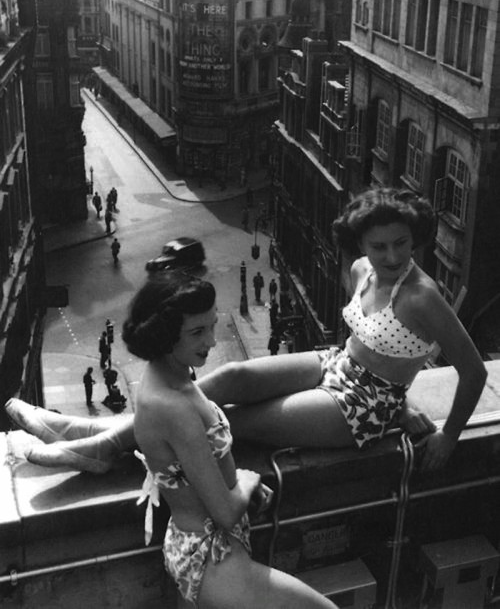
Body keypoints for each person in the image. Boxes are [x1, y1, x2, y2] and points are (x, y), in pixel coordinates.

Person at [5, 187, 486, 475]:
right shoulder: (360, 269)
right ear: (360, 243)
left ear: (415, 237)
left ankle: (97, 442)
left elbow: (472, 372)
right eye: (378, 245)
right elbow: (363, 341)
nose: (392, 256)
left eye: (401, 243)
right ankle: (92, 432)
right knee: (232, 376)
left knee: (229, 420)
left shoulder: (422, 296)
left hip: (363, 408)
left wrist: (447, 434)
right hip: (336, 365)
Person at [126, 271, 339, 607]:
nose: (211, 341)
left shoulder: (172, 375)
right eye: (197, 332)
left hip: (209, 550)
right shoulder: (171, 406)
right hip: (213, 561)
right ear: (164, 336)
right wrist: (246, 479)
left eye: (212, 325)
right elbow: (225, 512)